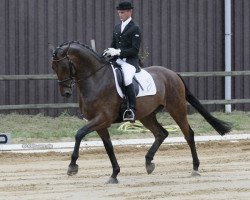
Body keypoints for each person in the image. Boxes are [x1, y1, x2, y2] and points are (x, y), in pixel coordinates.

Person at [103, 1, 141, 122]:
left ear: (130, 12)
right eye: (119, 13)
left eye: (123, 12)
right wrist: (109, 51)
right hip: (117, 61)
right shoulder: (117, 27)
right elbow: (113, 45)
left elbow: (134, 50)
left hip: (129, 62)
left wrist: (118, 52)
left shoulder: (135, 28)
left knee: (127, 79)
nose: (120, 15)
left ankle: (131, 110)